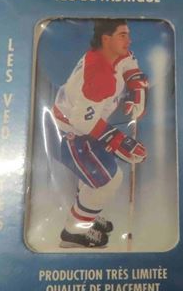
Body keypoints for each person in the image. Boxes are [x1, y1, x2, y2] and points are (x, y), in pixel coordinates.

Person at [51, 19, 148, 248]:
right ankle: (74, 232)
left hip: (83, 126)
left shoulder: (110, 54)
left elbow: (129, 63)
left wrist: (135, 87)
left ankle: (87, 213)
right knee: (107, 181)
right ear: (106, 38)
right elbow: (82, 121)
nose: (129, 40)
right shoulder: (100, 75)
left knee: (95, 177)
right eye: (123, 35)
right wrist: (118, 140)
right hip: (73, 133)